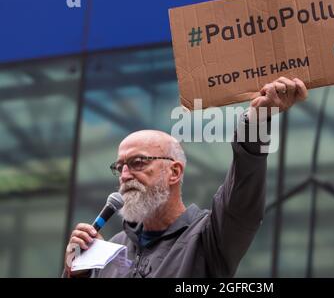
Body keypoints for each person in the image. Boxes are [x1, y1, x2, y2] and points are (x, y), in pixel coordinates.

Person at [63, 77, 308, 278]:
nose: (125, 175)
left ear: (174, 172)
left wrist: (257, 120)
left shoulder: (209, 237)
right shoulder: (110, 251)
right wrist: (74, 275)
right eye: (119, 167)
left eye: (138, 162)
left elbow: (243, 188)